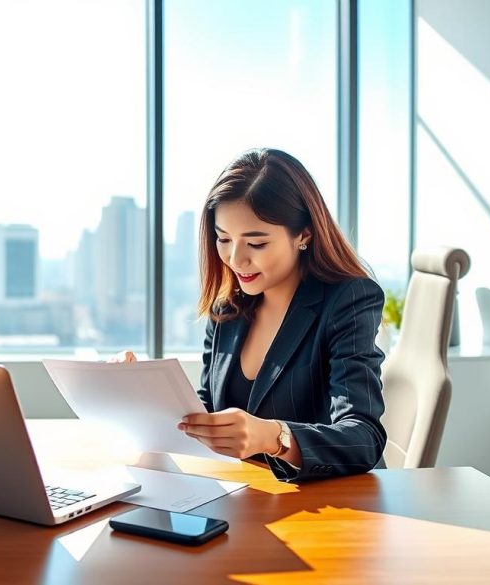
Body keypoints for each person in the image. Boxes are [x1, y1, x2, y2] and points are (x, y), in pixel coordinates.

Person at [115, 148, 387, 482]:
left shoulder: (348, 300)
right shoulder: (228, 306)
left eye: (256, 243)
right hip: (248, 495)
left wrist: (274, 437)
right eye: (223, 239)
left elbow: (363, 439)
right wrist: (144, 391)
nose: (235, 259)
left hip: (329, 506)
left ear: (304, 234)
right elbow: (211, 409)